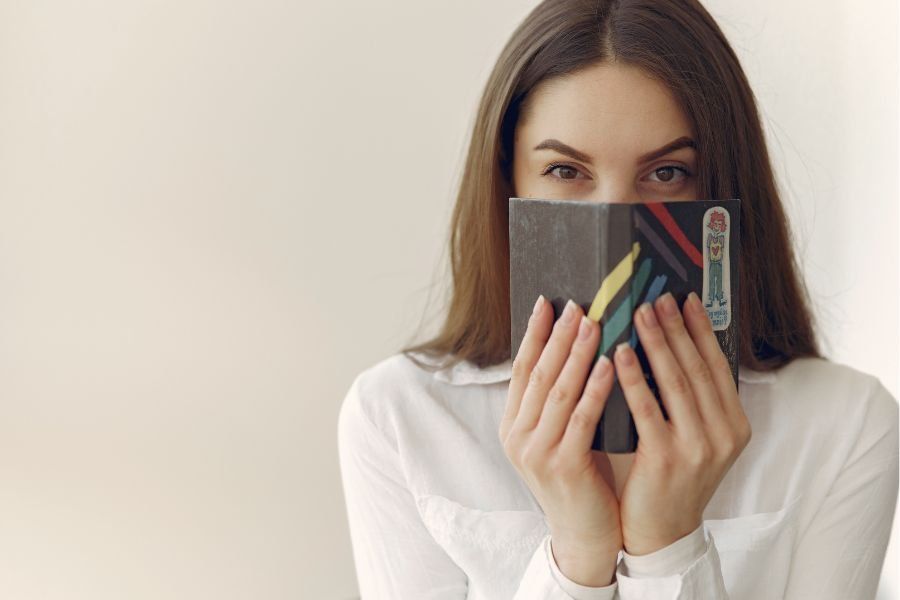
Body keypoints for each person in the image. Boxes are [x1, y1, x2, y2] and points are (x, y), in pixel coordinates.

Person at [337, 0, 899, 598]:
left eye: (665, 173)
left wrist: (669, 544)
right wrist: (578, 553)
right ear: (509, 183)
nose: (617, 223)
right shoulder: (400, 418)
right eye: (564, 171)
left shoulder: (844, 424)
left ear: (722, 190)